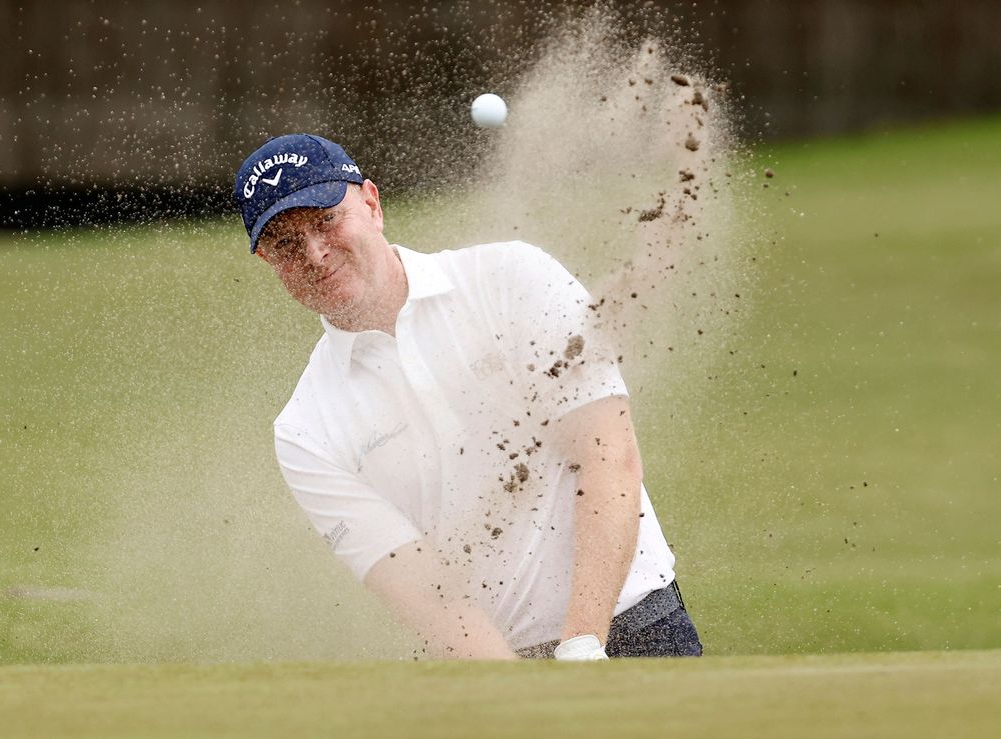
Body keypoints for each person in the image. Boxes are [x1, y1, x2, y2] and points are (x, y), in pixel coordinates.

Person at [235, 133, 702, 660]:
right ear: (268, 262)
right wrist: (513, 697)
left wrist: (583, 644)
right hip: (497, 669)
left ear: (371, 204)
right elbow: (427, 595)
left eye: (325, 220)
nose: (315, 254)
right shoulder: (304, 430)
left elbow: (608, 456)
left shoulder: (511, 278)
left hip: (638, 630)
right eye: (285, 243)